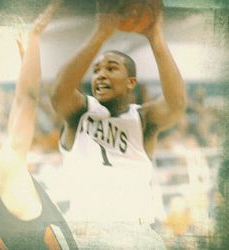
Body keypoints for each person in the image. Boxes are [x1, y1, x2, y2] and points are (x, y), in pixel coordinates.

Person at [51, 0, 187, 249]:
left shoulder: (143, 120)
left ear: (131, 83)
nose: (101, 74)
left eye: (111, 68)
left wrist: (156, 38)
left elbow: (176, 104)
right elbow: (58, 93)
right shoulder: (80, 112)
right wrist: (101, 33)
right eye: (96, 70)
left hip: (135, 234)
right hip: (86, 232)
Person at [0, 3, 78, 249]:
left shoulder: (3, 182)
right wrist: (35, 39)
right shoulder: (7, 172)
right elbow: (27, 99)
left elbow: (25, 102)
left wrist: (25, 62)